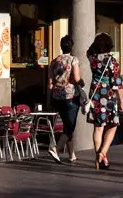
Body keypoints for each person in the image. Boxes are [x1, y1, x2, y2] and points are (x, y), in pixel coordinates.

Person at [86, 33, 123, 170]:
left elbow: (89, 50)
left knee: (98, 127)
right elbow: (117, 83)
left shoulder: (92, 58)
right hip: (108, 94)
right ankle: (102, 153)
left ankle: (100, 157)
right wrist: (122, 101)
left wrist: (97, 39)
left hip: (95, 94)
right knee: (113, 125)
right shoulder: (112, 60)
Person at [47, 35, 82, 164]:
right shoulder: (73, 60)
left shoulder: (54, 61)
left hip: (57, 96)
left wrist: (49, 99)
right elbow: (77, 79)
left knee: (67, 124)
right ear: (71, 47)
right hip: (70, 95)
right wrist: (82, 83)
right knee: (70, 126)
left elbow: (50, 83)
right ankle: (56, 148)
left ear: (61, 47)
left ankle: (72, 154)